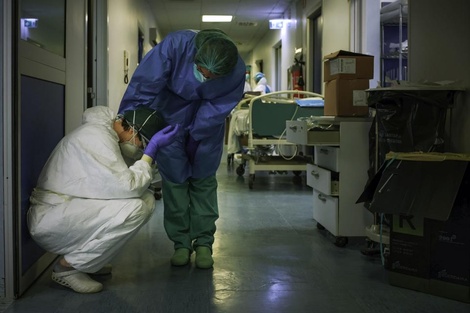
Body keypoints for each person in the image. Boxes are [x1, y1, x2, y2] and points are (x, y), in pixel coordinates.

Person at [119, 29, 246, 269]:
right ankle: (181, 243)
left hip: (208, 123)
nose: (205, 79)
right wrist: (131, 121)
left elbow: (220, 105)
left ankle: (204, 243)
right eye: (201, 72)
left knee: (203, 180)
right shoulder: (177, 45)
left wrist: (197, 134)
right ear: (195, 58)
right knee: (175, 181)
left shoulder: (236, 69)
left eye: (213, 77)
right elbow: (145, 83)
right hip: (168, 114)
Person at [27, 106, 180, 293]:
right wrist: (149, 155)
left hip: (65, 208)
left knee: (145, 199)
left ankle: (88, 260)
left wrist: (149, 157)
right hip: (49, 218)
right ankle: (67, 268)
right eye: (142, 144)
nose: (140, 149)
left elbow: (126, 181)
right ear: (132, 130)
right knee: (136, 208)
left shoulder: (106, 135)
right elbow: (128, 186)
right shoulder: (97, 138)